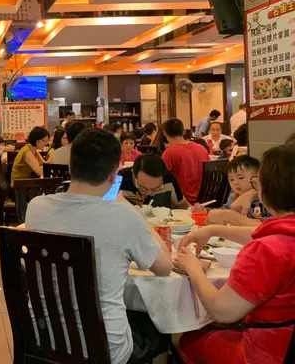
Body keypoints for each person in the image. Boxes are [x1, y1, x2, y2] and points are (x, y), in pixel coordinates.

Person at [25, 128, 172, 364]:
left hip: (44, 340)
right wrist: (128, 207)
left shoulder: (36, 207)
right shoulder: (123, 215)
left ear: (70, 167)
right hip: (105, 351)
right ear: (114, 175)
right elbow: (165, 268)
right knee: (159, 326)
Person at [175, 143, 295, 364]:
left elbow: (222, 311)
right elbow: (274, 234)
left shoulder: (266, 250)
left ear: (266, 190)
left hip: (265, 354)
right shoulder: (281, 238)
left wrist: (193, 268)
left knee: (187, 341)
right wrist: (214, 230)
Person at [206, 156, 267, 227]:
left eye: (240, 178)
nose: (235, 183)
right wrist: (207, 210)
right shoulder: (234, 196)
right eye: (231, 179)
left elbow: (274, 219)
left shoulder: (264, 198)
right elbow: (224, 210)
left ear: (256, 177)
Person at [161, 119, 209, 204]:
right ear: (184, 132)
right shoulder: (201, 148)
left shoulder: (169, 153)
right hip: (205, 200)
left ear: (165, 133)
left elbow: (161, 179)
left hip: (182, 202)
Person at [118, 154, 189, 209]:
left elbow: (182, 205)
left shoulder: (169, 179)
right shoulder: (120, 178)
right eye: (142, 188)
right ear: (133, 173)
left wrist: (192, 210)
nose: (148, 193)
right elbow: (111, 206)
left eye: (155, 189)